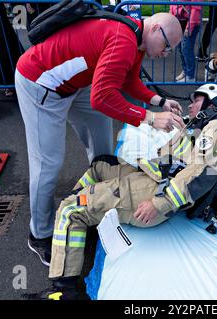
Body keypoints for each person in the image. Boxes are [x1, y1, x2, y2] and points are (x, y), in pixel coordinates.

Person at [22, 84, 217, 300]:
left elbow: (202, 175)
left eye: (197, 100)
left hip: (154, 192)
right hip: (152, 179)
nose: (190, 105)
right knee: (101, 165)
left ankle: (65, 291)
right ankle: (81, 231)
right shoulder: (206, 128)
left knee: (71, 208)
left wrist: (160, 203)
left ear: (214, 103)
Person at [15, 12, 185, 268]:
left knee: (102, 144)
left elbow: (129, 81)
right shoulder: (124, 41)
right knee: (47, 162)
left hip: (75, 85)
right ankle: (39, 234)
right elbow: (102, 98)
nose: (166, 53)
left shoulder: (135, 39)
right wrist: (150, 117)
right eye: (167, 46)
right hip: (41, 83)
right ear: (156, 29)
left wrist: (159, 101)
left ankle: (97, 202)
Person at [170, 0, 203, 82]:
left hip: (191, 23)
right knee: (181, 48)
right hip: (179, 22)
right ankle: (185, 71)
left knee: (186, 49)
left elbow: (196, 9)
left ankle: (190, 76)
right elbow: (172, 4)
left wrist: (189, 27)